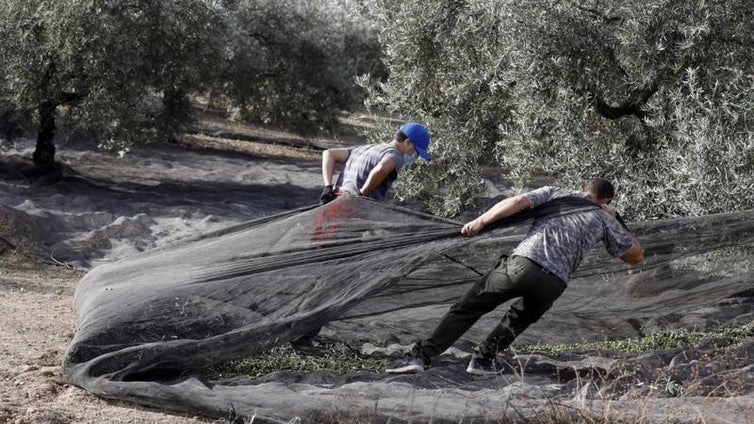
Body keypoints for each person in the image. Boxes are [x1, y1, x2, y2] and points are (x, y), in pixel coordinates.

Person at [386, 177, 643, 375]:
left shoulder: (558, 193)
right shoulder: (603, 219)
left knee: (468, 308)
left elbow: (518, 202)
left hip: (523, 265)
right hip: (554, 284)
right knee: (518, 319)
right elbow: (634, 255)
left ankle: (421, 357)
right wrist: (616, 219)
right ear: (605, 201)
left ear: (582, 187)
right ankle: (483, 361)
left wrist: (481, 220)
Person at [318, 121, 431, 204]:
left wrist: (328, 187)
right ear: (408, 142)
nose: (414, 156)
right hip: (350, 209)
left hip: (333, 201)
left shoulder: (366, 148)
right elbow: (382, 168)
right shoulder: (396, 156)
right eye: (416, 151)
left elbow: (329, 154)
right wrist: (362, 194)